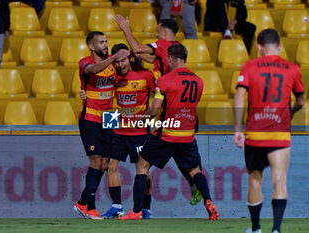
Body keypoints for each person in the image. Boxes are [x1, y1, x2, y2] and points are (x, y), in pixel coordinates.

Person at [118, 44, 219, 221]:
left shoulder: (165, 80)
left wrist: (142, 119)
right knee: (195, 171)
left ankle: (136, 211)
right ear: (185, 58)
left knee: (142, 166)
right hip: (187, 135)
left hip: (167, 133)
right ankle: (209, 201)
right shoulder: (199, 81)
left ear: (170, 59)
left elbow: (155, 109)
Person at [115, 15, 203, 206]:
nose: (155, 34)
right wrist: (135, 56)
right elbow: (144, 55)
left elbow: (138, 49)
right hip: (176, 105)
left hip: (164, 103)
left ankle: (137, 208)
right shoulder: (171, 50)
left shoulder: (163, 44)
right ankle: (196, 183)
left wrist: (126, 28)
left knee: (143, 163)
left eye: (157, 31)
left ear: (164, 33)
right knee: (180, 149)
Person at [233, 29, 305, 233]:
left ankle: (256, 229)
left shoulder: (249, 66)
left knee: (255, 179)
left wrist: (238, 129)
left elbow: (239, 97)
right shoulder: (292, 68)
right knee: (279, 180)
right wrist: (290, 112)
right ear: (280, 46)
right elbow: (301, 100)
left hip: (255, 134)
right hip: (279, 134)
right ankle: (276, 230)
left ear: (258, 47)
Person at [73, 31, 129, 220]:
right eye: (101, 42)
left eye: (106, 41)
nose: (105, 44)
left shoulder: (114, 65)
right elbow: (92, 70)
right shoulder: (84, 62)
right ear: (91, 46)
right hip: (91, 117)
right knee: (96, 161)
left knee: (105, 164)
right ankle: (89, 207)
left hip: (110, 116)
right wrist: (113, 56)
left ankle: (81, 202)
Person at [100, 43, 156, 219]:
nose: (121, 64)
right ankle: (117, 205)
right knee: (111, 166)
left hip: (140, 132)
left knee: (143, 170)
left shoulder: (145, 75)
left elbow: (160, 98)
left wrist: (150, 118)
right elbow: (108, 101)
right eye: (117, 61)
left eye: (124, 60)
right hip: (119, 132)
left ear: (129, 58)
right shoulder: (113, 78)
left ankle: (145, 208)